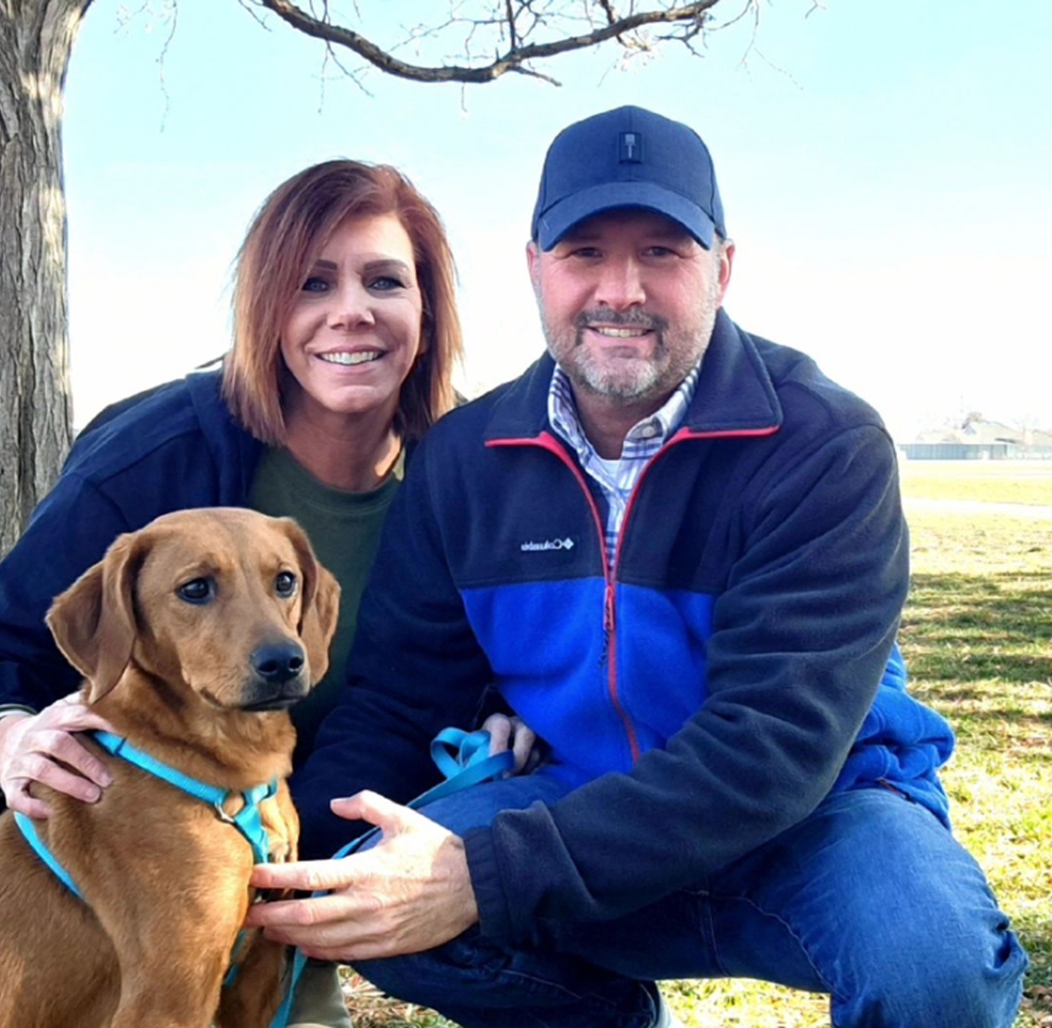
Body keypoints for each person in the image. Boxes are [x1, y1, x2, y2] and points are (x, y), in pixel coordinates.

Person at [246, 107, 1030, 1027]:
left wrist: (484, 875)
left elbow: (770, 749)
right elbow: (400, 698)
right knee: (365, 890)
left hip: (821, 817)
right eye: (584, 253)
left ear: (723, 268)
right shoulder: (463, 459)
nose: (621, 289)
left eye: (663, 251)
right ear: (535, 265)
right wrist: (283, 850)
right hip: (572, 795)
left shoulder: (824, 442)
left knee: (934, 962)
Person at [0, 158, 464, 1028]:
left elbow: (511, 633)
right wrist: (2, 739)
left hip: (310, 833)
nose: (351, 310)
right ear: (264, 306)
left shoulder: (464, 469)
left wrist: (516, 710)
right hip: (130, 870)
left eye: (385, 280)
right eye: (312, 282)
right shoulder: (152, 457)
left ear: (426, 311)